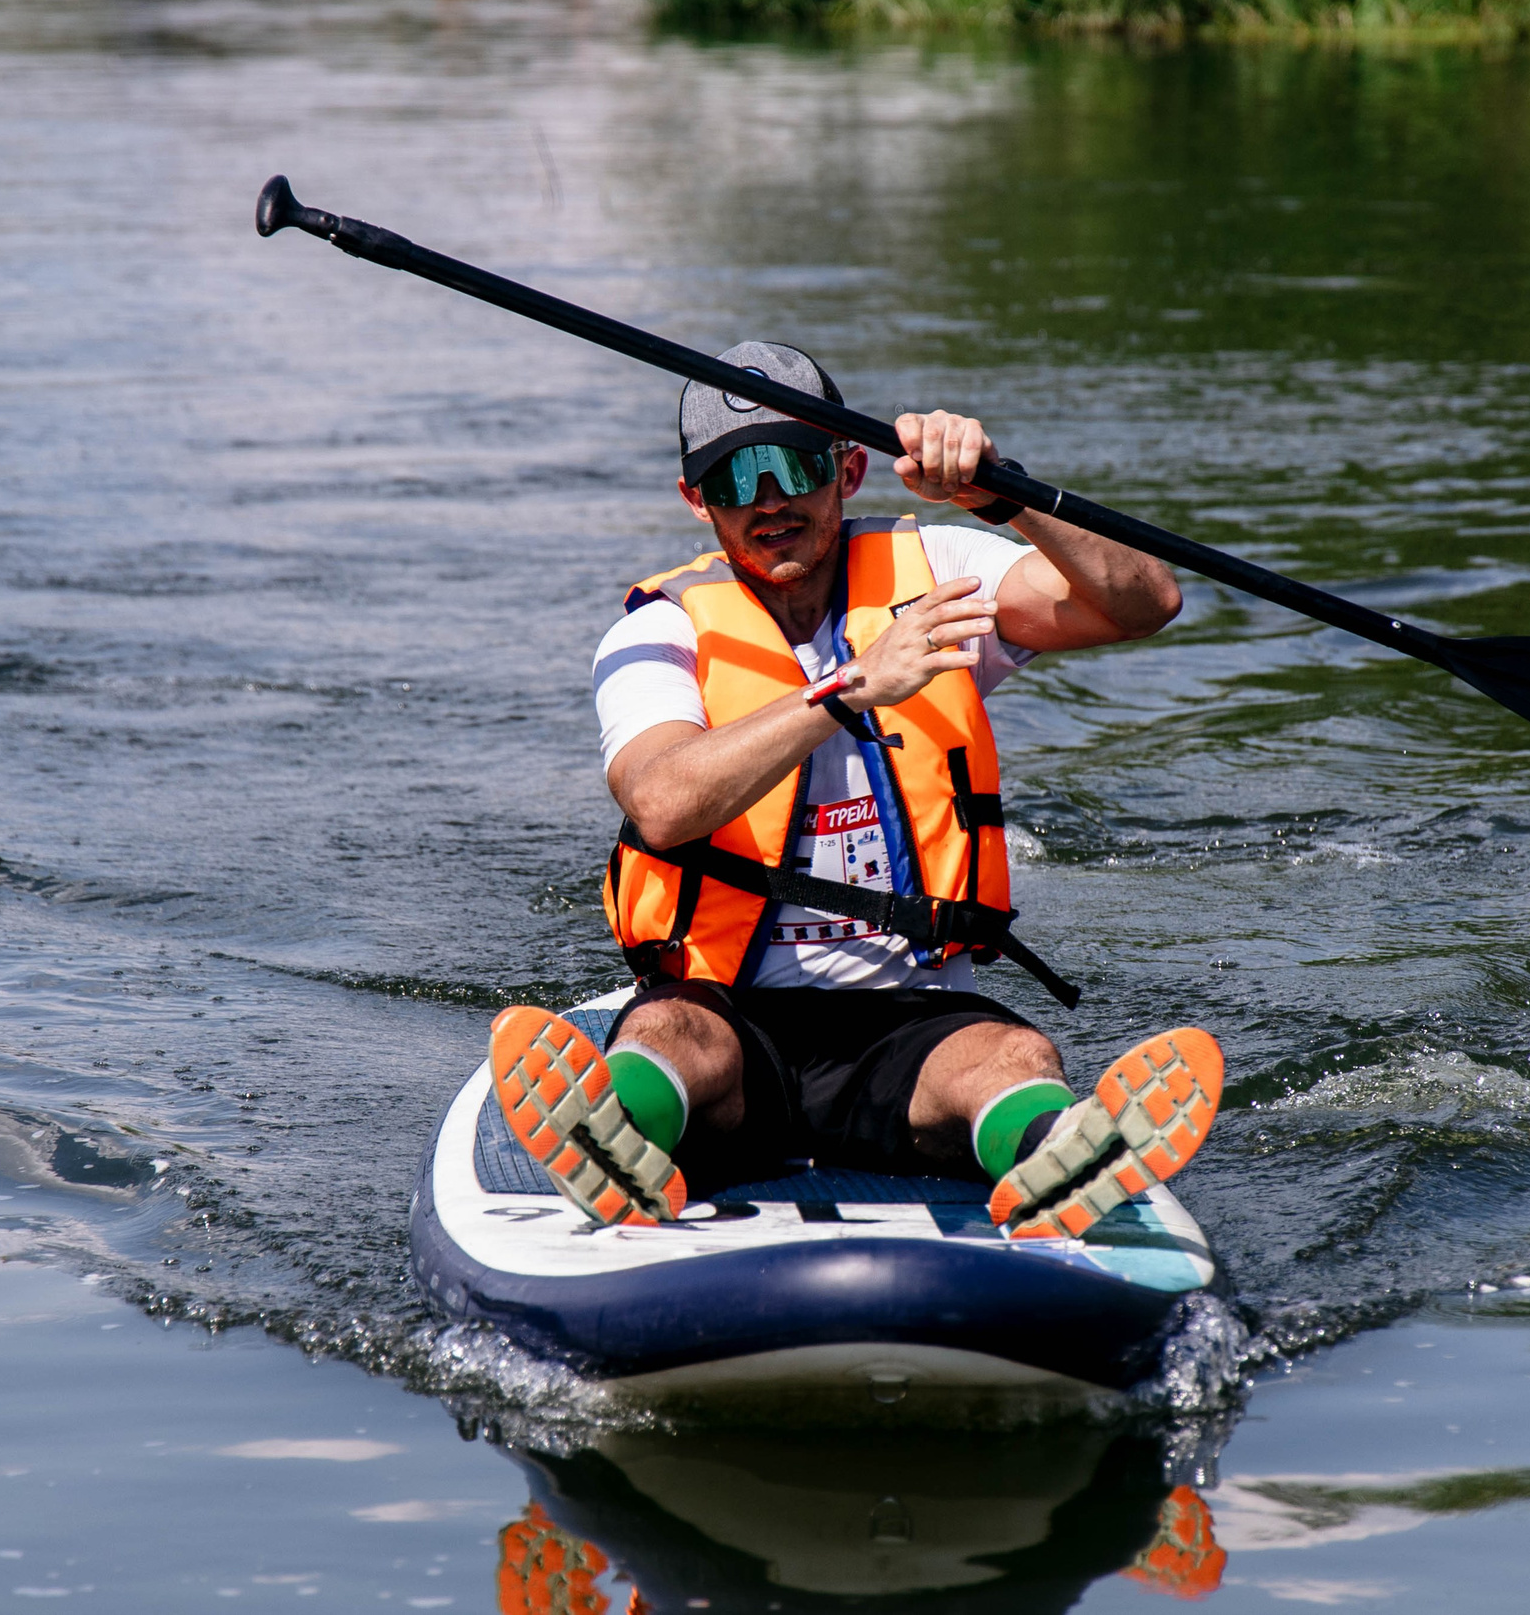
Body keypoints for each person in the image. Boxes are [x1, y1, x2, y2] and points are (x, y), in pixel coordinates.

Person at [489, 341, 1223, 1239]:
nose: (769, 500)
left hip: (905, 1027)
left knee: (1013, 1053)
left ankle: (1057, 1151)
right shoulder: (658, 631)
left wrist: (1005, 494)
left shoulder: (936, 575)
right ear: (697, 500)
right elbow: (663, 802)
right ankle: (618, 1135)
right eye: (734, 477)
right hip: (731, 1015)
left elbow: (1144, 600)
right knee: (667, 1037)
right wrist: (844, 692)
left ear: (848, 470)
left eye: (793, 466)